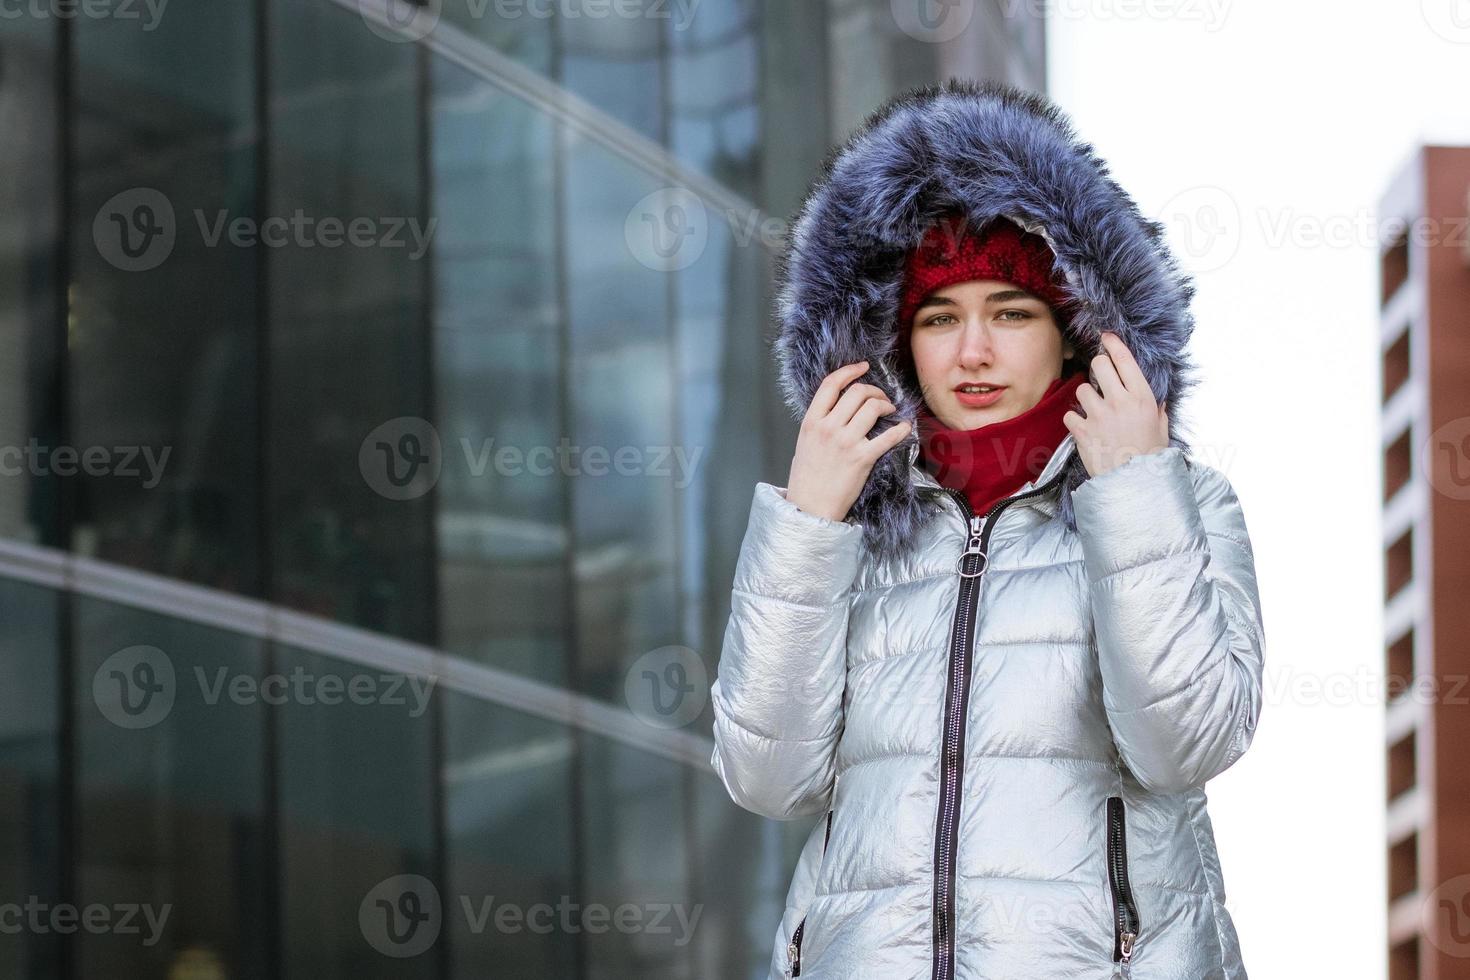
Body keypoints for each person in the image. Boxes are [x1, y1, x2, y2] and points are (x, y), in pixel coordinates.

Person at [709, 78, 1266, 980]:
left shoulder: (1180, 506)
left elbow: (1185, 743)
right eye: (939, 318)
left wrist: (1130, 492)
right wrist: (809, 522)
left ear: (1075, 331)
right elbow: (767, 779)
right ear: (895, 342)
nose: (973, 352)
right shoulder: (844, 528)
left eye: (1010, 312)